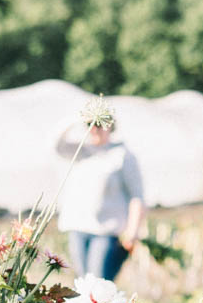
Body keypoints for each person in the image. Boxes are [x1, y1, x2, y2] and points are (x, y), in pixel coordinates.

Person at [56, 115, 145, 282]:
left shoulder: (122, 155)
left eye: (100, 124)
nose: (95, 129)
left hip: (105, 232)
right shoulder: (81, 151)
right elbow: (56, 144)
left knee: (99, 283)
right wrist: (77, 117)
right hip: (78, 228)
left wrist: (133, 232)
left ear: (110, 127)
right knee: (83, 284)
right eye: (90, 125)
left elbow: (136, 196)